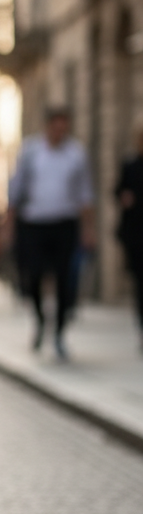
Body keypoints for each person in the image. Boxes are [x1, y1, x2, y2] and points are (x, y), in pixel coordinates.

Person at [9, 106, 95, 359]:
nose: (60, 131)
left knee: (65, 278)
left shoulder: (76, 154)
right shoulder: (31, 151)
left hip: (65, 223)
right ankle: (39, 320)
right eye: (56, 126)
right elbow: (16, 188)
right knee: (33, 275)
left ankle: (58, 333)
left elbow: (85, 194)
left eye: (64, 126)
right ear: (48, 126)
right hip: (34, 223)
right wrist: (9, 225)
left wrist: (88, 228)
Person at [116, 126, 143, 350]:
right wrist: (124, 197)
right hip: (137, 234)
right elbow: (117, 190)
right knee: (140, 284)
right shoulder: (131, 165)